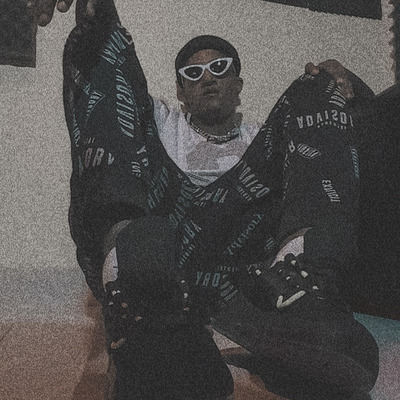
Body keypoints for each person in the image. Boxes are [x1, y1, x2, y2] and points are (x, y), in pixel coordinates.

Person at [36, 0, 379, 399]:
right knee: (106, 53)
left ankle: (302, 296)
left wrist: (345, 81)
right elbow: (112, 80)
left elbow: (364, 126)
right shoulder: (159, 121)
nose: (208, 78)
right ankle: (135, 298)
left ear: (238, 84)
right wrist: (97, 14)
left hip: (253, 286)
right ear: (181, 91)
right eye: (193, 73)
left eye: (220, 68)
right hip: (162, 262)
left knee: (316, 82)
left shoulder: (270, 139)